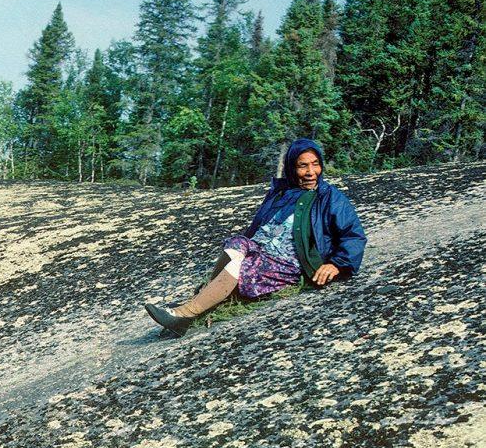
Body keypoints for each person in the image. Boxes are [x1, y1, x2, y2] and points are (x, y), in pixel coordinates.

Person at [145, 138, 366, 336]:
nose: (310, 172)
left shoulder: (331, 198)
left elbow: (354, 235)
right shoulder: (282, 192)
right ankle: (203, 298)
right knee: (235, 245)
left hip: (287, 262)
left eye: (315, 164)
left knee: (240, 267)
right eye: (302, 165)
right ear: (292, 167)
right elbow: (257, 226)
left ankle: (186, 314)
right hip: (260, 247)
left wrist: (336, 264)